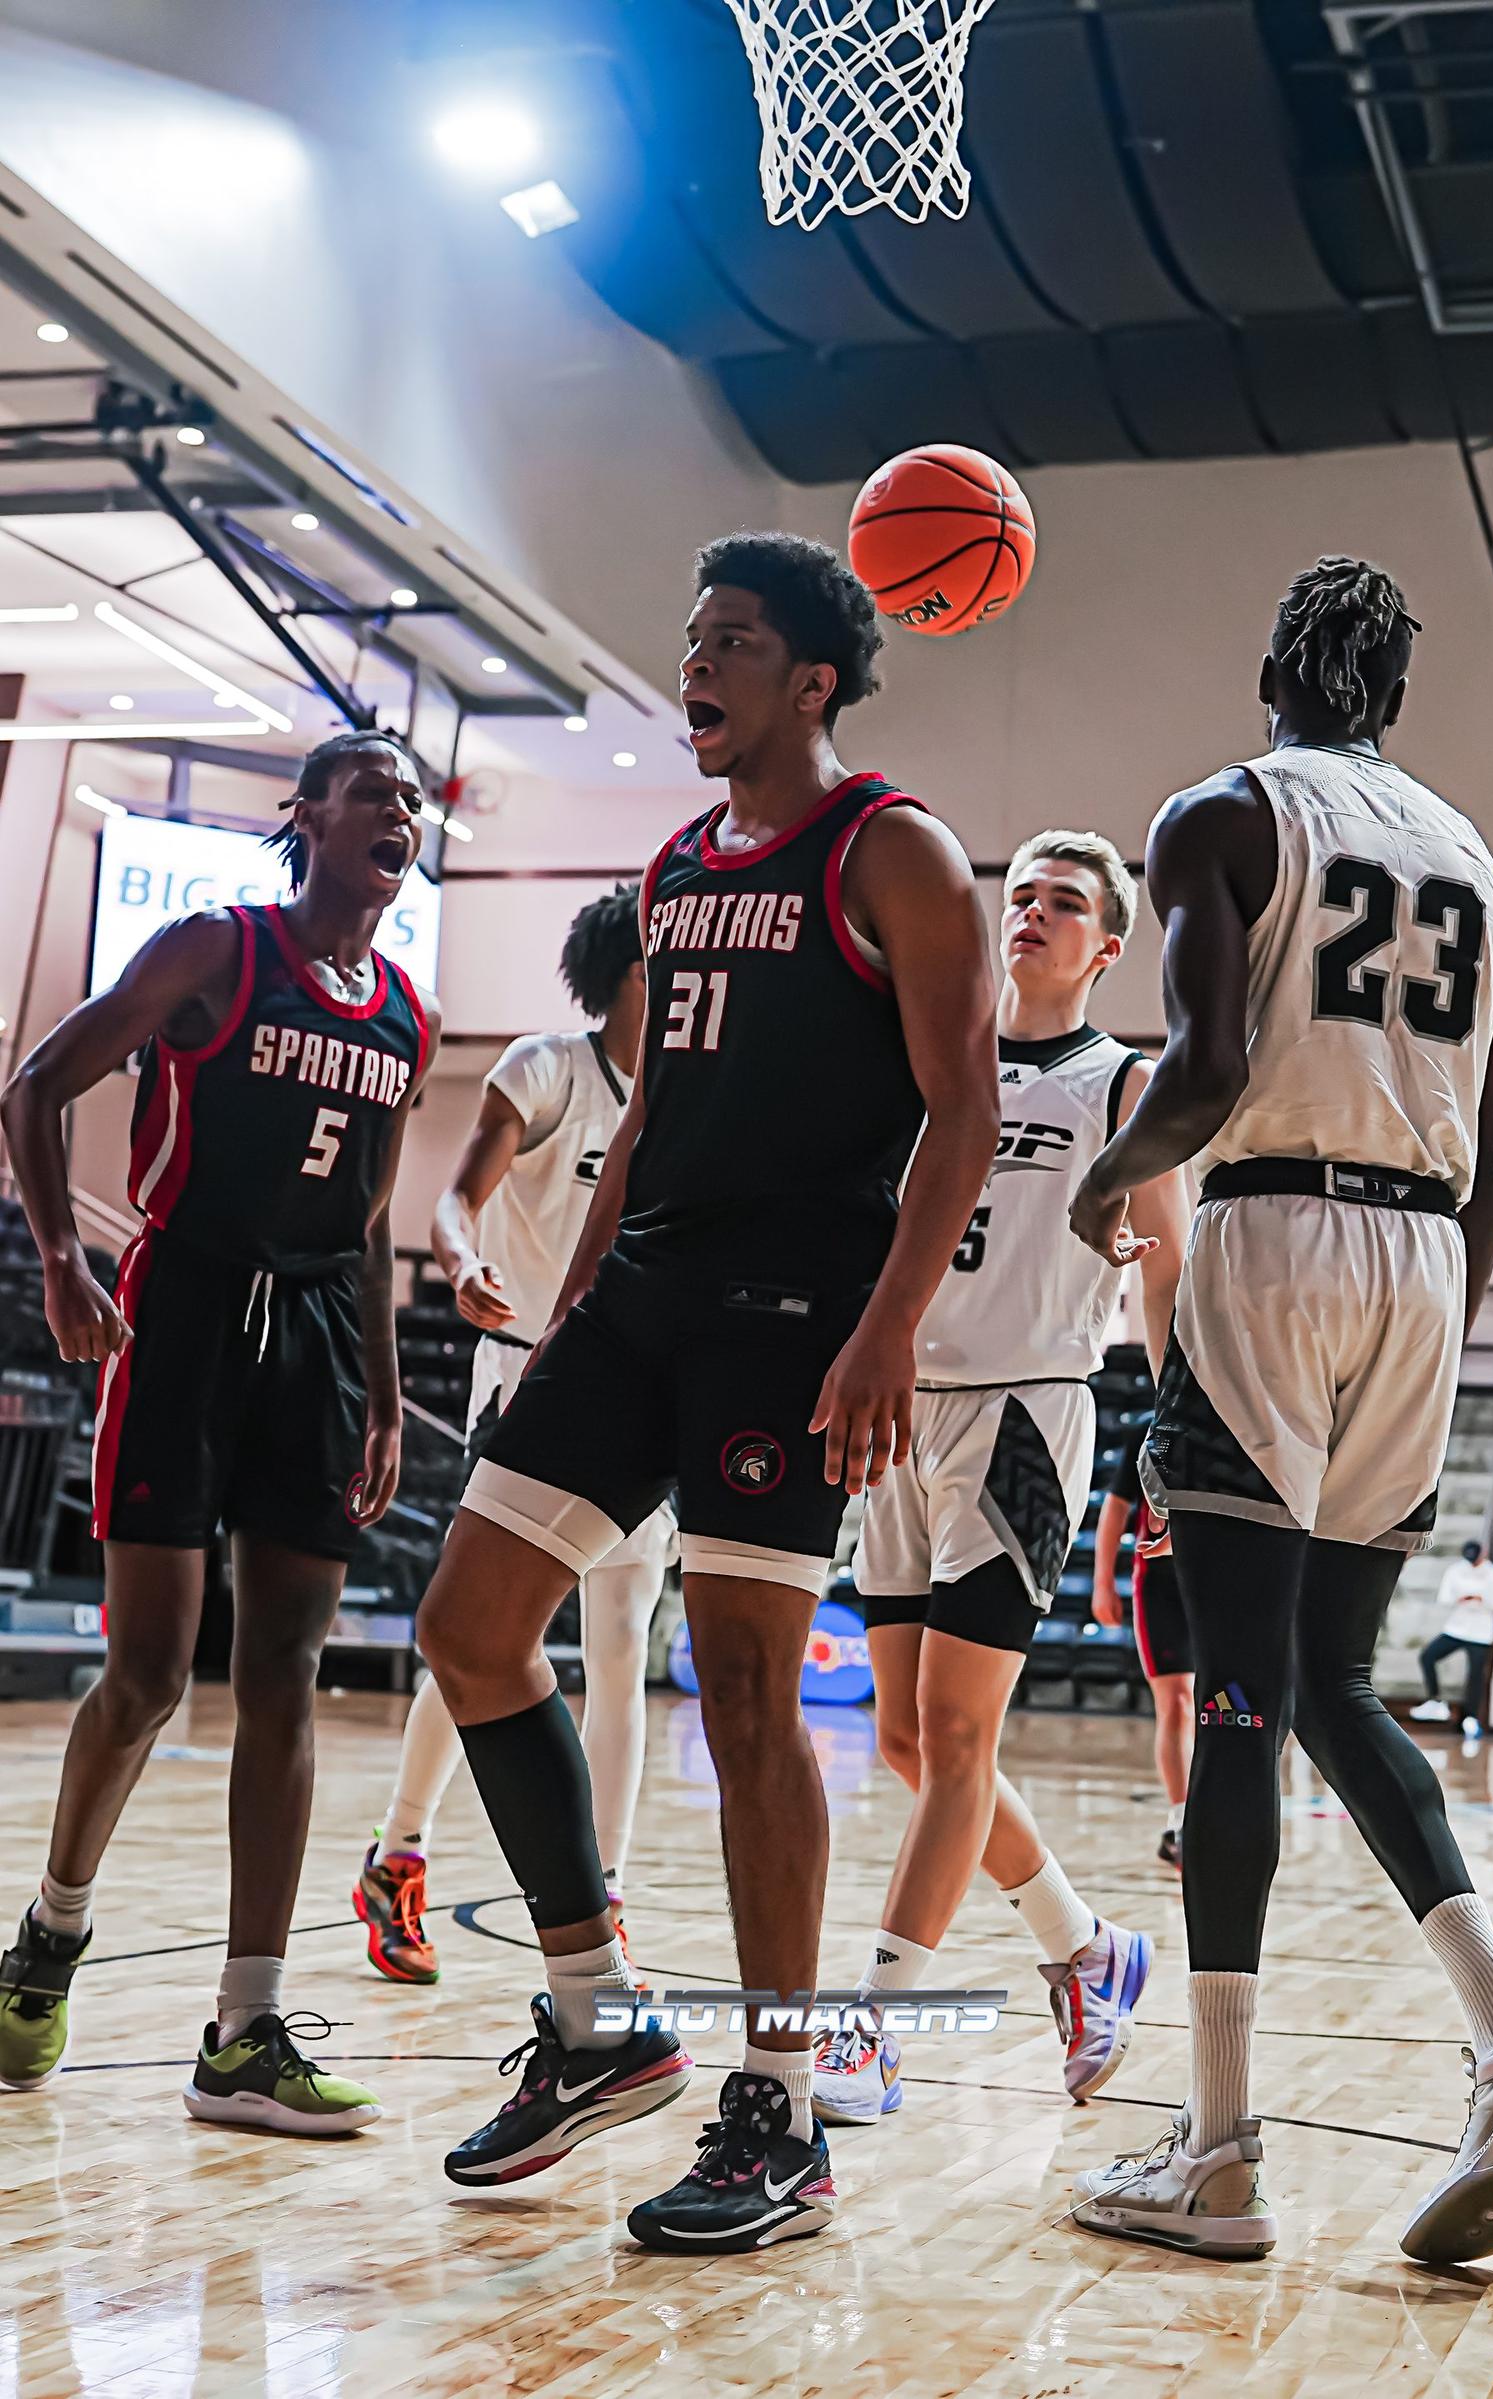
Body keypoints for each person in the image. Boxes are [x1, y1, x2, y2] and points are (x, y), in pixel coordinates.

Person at [414, 532, 998, 2252]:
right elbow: (652, 1111)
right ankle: (600, 2008)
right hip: (647, 1293)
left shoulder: (892, 848)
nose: (698, 665)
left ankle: (780, 2109)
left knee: (747, 1693)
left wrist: (887, 1327)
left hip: (796, 1309)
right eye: (691, 639)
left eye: (732, 642)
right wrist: (586, 1288)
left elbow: (959, 1110)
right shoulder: (675, 865)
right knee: (468, 1620)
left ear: (813, 679)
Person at [1067, 556, 1493, 2267]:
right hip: (1430, 1267)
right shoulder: (1467, 854)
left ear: (1272, 669)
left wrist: (1112, 1179)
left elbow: (1206, 1071)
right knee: (1326, 1680)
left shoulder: (1224, 813)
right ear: (1396, 689)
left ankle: (1219, 2147)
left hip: (1276, 1234)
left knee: (1233, 1690)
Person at [0, 730, 438, 2132]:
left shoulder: (407, 1014)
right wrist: (65, 1257)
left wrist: (378, 1383)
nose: (400, 807)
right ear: (305, 813)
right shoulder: (215, 948)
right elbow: (34, 1087)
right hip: (182, 1309)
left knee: (287, 1674)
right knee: (145, 1669)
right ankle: (50, 1934)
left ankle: (245, 2027)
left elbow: (371, 1220)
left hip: (314, 1340)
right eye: (371, 786)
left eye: (413, 795)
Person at [815, 830, 1185, 2127]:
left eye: (1064, 901)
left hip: (1028, 1416)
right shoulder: (940, 1070)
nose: (1031, 912)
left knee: (963, 1732)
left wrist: (1179, 1442)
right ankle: (1088, 1948)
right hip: (904, 1414)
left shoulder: (1123, 1083)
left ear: (1108, 945)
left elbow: (1167, 1274)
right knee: (910, 1739)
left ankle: (873, 2022)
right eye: (1019, 893)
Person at [353, 885, 676, 1981]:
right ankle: (399, 1850)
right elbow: (451, 1198)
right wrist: (457, 1258)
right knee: (487, 1633)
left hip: (644, 1390)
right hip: (531, 1375)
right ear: (634, 968)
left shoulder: (685, 1092)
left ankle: (608, 1887)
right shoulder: (547, 1067)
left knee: (626, 1648)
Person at [1094, 1426, 1192, 1869]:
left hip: (1216, 1581)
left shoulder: (1234, 1414)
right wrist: (1102, 1584)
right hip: (1159, 1584)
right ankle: (1182, 1822)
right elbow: (1114, 1512)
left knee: (1221, 1704)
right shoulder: (1151, 1430)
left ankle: (1212, 1813)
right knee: (1177, 1703)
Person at [1411, 1537, 1493, 1738]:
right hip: (1457, 1627)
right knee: (1428, 1656)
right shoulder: (1456, 1571)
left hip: (1481, 1632)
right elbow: (1444, 1598)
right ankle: (1435, 1700)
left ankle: (1471, 1717)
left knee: (1475, 1676)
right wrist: (1462, 1598)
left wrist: (1481, 1599)